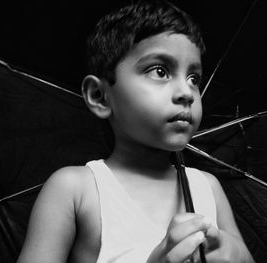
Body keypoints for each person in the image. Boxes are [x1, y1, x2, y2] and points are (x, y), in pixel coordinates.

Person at [17, 0, 254, 262]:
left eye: (194, 78)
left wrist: (240, 257)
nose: (187, 92)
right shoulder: (76, 190)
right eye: (160, 71)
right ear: (100, 96)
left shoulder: (207, 188)